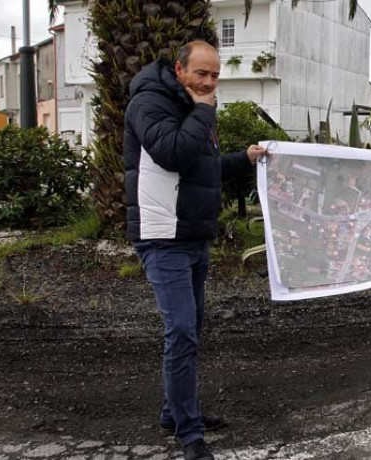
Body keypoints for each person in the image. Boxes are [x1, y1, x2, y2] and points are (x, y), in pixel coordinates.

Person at [123, 41, 268, 460]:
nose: (208, 83)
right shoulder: (149, 104)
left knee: (191, 329)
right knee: (181, 330)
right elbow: (171, 155)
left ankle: (175, 412)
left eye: (214, 76)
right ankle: (189, 433)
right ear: (179, 69)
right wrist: (205, 109)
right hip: (162, 236)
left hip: (192, 235)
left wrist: (245, 157)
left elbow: (201, 166)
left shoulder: (190, 107)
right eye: (200, 74)